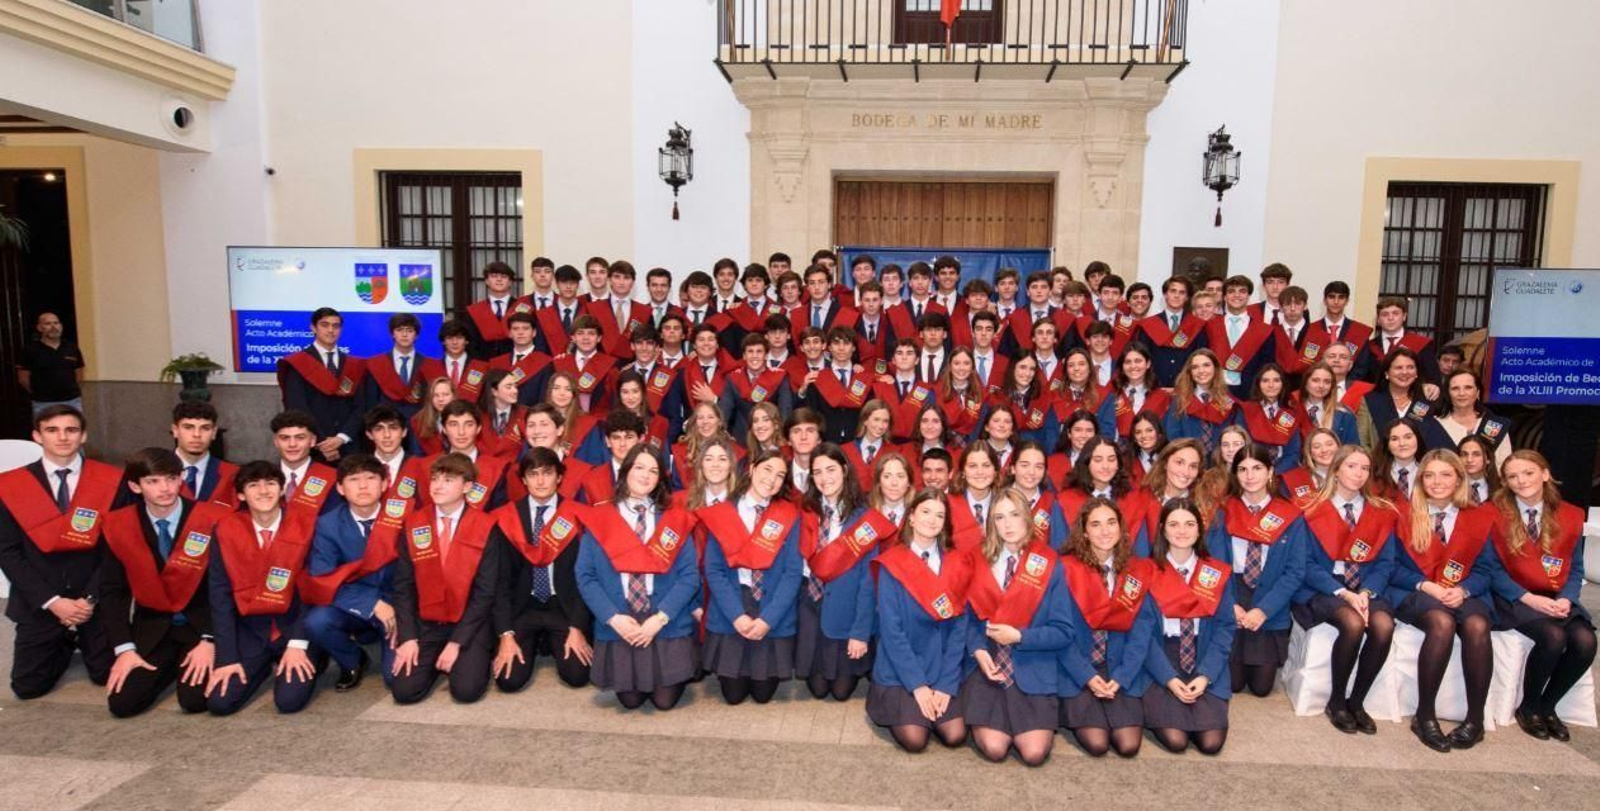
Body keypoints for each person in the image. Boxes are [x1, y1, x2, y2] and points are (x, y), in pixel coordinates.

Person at [98, 448, 230, 717]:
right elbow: (113, 592)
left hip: (202, 626)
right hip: (153, 627)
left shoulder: (211, 519)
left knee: (194, 702)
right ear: (135, 486)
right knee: (122, 705)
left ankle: (185, 663)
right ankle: (172, 665)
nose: (165, 488)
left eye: (171, 478)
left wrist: (211, 639)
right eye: (153, 481)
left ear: (181, 478)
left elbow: (226, 586)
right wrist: (124, 648)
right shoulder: (117, 524)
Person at [0, 405, 119, 698]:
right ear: (37, 436)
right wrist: (53, 602)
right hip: (41, 599)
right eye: (52, 430)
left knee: (106, 675)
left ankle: (79, 635)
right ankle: (64, 641)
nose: (62, 437)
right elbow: (7, 552)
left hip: (92, 598)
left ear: (84, 435)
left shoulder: (110, 481)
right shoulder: (10, 485)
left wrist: (89, 599)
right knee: (28, 687)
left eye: (71, 430)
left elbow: (116, 547)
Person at [575, 446, 702, 711]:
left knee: (663, 701)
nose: (646, 475)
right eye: (639, 467)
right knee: (630, 701)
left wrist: (660, 618)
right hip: (623, 620)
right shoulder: (600, 518)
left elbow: (690, 576)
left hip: (664, 621)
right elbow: (585, 576)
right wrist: (613, 618)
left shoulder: (674, 520)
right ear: (625, 472)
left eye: (654, 470)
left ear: (660, 479)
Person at [1388, 449, 1494, 751]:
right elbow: (1390, 567)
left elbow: (1487, 569)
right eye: (1430, 475)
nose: (1437, 482)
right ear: (1420, 480)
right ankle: (1424, 715)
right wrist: (1424, 585)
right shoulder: (1404, 515)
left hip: (1462, 591)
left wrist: (1465, 590)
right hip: (1415, 592)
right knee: (1442, 622)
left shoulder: (1478, 518)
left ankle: (1476, 720)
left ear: (1459, 478)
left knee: (1476, 624)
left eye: (1446, 474)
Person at [961, 487, 1076, 765]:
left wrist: (1019, 636)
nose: (1008, 524)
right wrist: (977, 650)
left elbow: (1063, 631)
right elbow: (965, 618)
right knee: (994, 749)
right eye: (999, 517)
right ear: (991, 524)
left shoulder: (1050, 563)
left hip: (1032, 664)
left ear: (1027, 517)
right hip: (988, 664)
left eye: (1014, 515)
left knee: (1034, 753)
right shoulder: (977, 560)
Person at [1486, 450, 1594, 743]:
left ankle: (1548, 706)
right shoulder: (1493, 514)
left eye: (1528, 473)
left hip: (1555, 595)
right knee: (1553, 637)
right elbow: (1490, 570)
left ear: (1545, 474)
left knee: (1586, 642)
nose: (1521, 481)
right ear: (1505, 483)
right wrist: (1528, 598)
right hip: (1512, 598)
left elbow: (1575, 569)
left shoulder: (1571, 514)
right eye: (1512, 476)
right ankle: (1529, 707)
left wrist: (1567, 599)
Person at [1295, 445, 1400, 734]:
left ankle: (1357, 701)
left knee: (1383, 625)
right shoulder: (1312, 510)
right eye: (1352, 466)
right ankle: (1337, 701)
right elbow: (1305, 564)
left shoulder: (1380, 512)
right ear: (1337, 469)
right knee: (1352, 623)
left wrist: (1366, 592)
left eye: (1365, 468)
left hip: (1366, 588)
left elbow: (1386, 563)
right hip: (1326, 588)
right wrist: (1343, 593)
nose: (1359, 473)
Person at [206, 461, 322, 715]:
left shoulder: (307, 526)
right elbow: (220, 595)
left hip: (294, 629)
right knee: (219, 703)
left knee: (288, 702)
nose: (263, 491)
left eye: (270, 483)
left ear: (282, 490)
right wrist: (226, 658)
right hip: (251, 631)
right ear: (240, 495)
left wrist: (298, 643)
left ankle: (316, 656)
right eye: (253, 485)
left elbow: (315, 591)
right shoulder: (226, 530)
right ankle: (259, 667)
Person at [388, 453, 500, 704]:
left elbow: (485, 593)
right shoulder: (414, 523)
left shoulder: (485, 526)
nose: (437, 486)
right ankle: (436, 658)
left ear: (467, 487)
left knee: (466, 691)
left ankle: (462, 656)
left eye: (448, 480)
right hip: (427, 622)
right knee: (404, 692)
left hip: (469, 624)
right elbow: (403, 587)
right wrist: (408, 638)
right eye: (435, 479)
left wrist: (456, 643)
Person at [867, 488, 972, 752]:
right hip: (901, 667)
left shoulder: (957, 563)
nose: (932, 520)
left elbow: (960, 629)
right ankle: (909, 705)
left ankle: (933, 706)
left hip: (941, 665)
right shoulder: (893, 562)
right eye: (925, 511)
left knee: (955, 735)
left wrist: (946, 684)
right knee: (915, 740)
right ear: (911, 517)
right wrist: (918, 686)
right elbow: (892, 632)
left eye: (940, 515)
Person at [700, 450, 803, 704]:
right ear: (752, 468)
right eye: (767, 470)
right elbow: (713, 570)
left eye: (780, 476)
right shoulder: (724, 513)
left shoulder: (789, 515)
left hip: (770, 609)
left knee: (763, 694)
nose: (772, 479)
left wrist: (768, 620)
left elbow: (792, 573)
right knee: (733, 696)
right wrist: (736, 615)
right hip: (733, 607)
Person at [1206, 445, 1309, 699]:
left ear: (1270, 471)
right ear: (1235, 474)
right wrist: (1231, 605)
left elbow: (1295, 571)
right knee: (1234, 684)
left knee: (1262, 687)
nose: (1250, 476)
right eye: (1242, 469)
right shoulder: (1222, 511)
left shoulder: (1289, 515)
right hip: (1232, 593)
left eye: (1257, 468)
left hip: (1268, 597)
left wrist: (1263, 610)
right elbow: (1212, 564)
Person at [1058, 498, 1157, 758]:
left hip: (1120, 668)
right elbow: (1060, 632)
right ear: (1084, 530)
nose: (1105, 531)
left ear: (1121, 527)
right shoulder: (1065, 569)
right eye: (1096, 524)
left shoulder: (1136, 570)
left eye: (1111, 522)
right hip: (1078, 669)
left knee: (1128, 746)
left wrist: (1123, 676)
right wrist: (1087, 676)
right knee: (1098, 744)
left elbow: (1142, 631)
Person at [299, 454, 406, 694]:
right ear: (340, 488)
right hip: (353, 603)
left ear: (385, 483)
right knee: (317, 622)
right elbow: (322, 577)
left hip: (399, 603)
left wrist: (401, 609)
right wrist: (372, 603)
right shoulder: (327, 524)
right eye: (354, 479)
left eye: (371, 478)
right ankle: (353, 659)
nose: (363, 486)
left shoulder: (403, 517)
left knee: (396, 680)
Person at [490, 449, 595, 692]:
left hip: (563, 606)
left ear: (559, 477)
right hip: (523, 607)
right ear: (523, 479)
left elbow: (586, 578)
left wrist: (577, 627)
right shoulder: (507, 517)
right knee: (509, 681)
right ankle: (535, 642)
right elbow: (501, 582)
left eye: (547, 473)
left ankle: (550, 641)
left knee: (577, 676)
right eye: (533, 474)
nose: (540, 481)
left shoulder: (577, 516)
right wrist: (505, 635)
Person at [1143, 498, 1236, 754]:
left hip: (1203, 655)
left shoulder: (1216, 572)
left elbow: (1225, 628)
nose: (1182, 531)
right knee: (1176, 741)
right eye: (1173, 524)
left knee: (1210, 744)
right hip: (1162, 658)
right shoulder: (1146, 572)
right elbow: (1142, 636)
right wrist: (1169, 679)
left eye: (1189, 524)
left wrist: (1206, 675)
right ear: (1162, 529)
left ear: (1199, 530)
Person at [797, 444, 889, 700]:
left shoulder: (864, 519)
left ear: (845, 470)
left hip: (845, 610)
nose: (825, 478)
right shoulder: (805, 512)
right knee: (817, 690)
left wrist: (860, 633)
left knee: (840, 692)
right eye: (817, 472)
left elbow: (868, 582)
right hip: (810, 604)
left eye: (831, 469)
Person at [276, 308, 365, 461]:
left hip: (349, 446)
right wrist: (323, 443)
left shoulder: (354, 365)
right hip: (314, 448)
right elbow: (297, 407)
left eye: (335, 326)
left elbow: (362, 406)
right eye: (325, 325)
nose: (331, 330)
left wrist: (342, 438)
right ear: (313, 328)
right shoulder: (297, 364)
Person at [360, 312, 445, 420]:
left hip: (420, 426)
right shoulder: (376, 363)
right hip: (386, 426)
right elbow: (371, 402)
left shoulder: (430, 365)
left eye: (409, 330)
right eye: (399, 330)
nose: (404, 335)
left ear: (416, 335)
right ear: (392, 334)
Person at [1421, 369, 1512, 469]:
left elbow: (1504, 467)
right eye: (1455, 388)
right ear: (1448, 393)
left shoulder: (1495, 425)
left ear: (1477, 392)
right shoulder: (1433, 425)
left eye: (1468, 388)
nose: (1461, 393)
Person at [1205, 276, 1279, 398]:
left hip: (1249, 394)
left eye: (1242, 291)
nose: (1236, 295)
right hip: (1213, 391)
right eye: (1231, 291)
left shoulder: (1264, 330)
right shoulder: (1210, 326)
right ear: (1224, 296)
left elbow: (1267, 366)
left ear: (1248, 296)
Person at [1134, 276, 1206, 388]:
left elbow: (1201, 357)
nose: (1177, 296)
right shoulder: (1149, 324)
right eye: (1173, 291)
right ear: (1165, 294)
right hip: (1154, 386)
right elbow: (1141, 357)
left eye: (1182, 292)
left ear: (1187, 297)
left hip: (1187, 387)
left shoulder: (1197, 325)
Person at [720, 335, 795, 440]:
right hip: (741, 441)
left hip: (771, 440)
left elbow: (785, 411)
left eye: (759, 351)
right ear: (744, 356)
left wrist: (782, 439)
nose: (754, 356)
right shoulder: (732, 378)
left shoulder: (780, 377)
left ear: (766, 355)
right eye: (750, 351)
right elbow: (724, 411)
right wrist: (721, 433)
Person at [1164, 349, 1238, 454]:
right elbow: (1173, 435)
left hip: (1221, 462)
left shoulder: (1227, 402)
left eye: (1206, 365)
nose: (1201, 371)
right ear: (1190, 372)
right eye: (1195, 367)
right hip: (1189, 461)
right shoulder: (1179, 400)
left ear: (1216, 368)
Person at [171, 400, 238, 508]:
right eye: (188, 427)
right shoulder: (153, 472)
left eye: (205, 428)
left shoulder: (233, 475)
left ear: (214, 432)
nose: (197, 434)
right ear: (175, 430)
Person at [1237, 364, 1302, 474]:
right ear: (1258, 384)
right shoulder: (1246, 410)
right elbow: (1241, 446)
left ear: (1283, 384)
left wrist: (1275, 473)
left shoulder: (1291, 413)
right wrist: (1259, 472)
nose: (1271, 385)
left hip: (1283, 472)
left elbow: (1293, 453)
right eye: (1265, 381)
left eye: (1276, 380)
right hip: (1252, 472)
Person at [17, 311, 85, 416]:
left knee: (73, 430)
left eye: (56, 323)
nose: (53, 327)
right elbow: (23, 378)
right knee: (47, 430)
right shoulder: (30, 350)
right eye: (48, 324)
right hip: (43, 403)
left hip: (72, 401)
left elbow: (79, 372)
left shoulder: (72, 348)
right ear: (39, 328)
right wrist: (40, 392)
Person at [460, 261, 531, 360]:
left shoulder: (523, 308)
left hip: (517, 363)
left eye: (504, 276)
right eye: (494, 276)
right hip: (484, 365)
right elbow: (470, 342)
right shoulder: (474, 311)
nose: (499, 279)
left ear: (510, 282)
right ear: (487, 281)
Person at [1097, 343, 1168, 441]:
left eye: (1138, 361)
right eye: (1127, 362)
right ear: (1122, 367)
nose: (1133, 366)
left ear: (1148, 364)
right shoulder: (1110, 393)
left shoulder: (1161, 396)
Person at [1361, 296, 1439, 384]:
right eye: (1385, 314)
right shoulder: (1369, 346)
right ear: (1378, 320)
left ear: (1404, 316)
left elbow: (1433, 379)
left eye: (1395, 313)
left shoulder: (1421, 344)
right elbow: (1362, 379)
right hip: (1376, 395)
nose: (1390, 318)